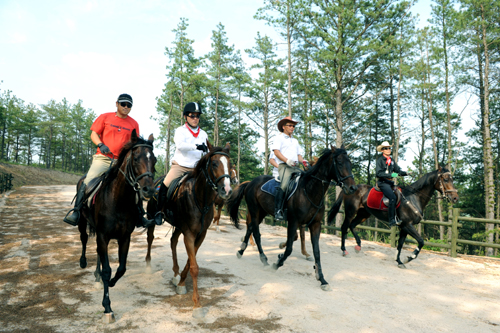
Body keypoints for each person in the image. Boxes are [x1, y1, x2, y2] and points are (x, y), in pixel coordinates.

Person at [63, 93, 154, 228]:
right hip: (103, 158)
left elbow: (135, 143)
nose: (126, 107)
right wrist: (100, 144)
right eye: (123, 104)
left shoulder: (134, 123)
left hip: (122, 162)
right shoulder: (105, 117)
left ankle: (140, 216)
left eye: (129, 105)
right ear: (117, 104)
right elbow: (93, 134)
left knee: (135, 185)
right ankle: (76, 212)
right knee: (88, 181)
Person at [153, 102, 208, 225]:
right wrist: (197, 146)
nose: (195, 118)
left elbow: (206, 150)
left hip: (196, 169)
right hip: (181, 166)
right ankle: (159, 212)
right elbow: (180, 146)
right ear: (185, 117)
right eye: (192, 115)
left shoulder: (203, 134)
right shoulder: (180, 131)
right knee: (165, 184)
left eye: (197, 116)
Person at [271, 116, 309, 221]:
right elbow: (276, 152)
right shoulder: (279, 138)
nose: (292, 127)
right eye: (290, 125)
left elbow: (299, 155)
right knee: (284, 185)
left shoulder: (295, 141)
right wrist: (287, 160)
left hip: (295, 167)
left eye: (293, 126)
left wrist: (304, 161)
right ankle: (278, 210)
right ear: (283, 127)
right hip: (284, 166)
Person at [375, 141, 408, 227]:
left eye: (389, 148)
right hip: (382, 182)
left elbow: (398, 171)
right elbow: (378, 173)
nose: (388, 149)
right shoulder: (380, 160)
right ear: (382, 150)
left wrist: (406, 173)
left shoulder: (392, 160)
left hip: (390, 183)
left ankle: (399, 216)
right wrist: (390, 175)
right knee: (393, 198)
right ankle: (391, 220)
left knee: (400, 195)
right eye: (386, 148)